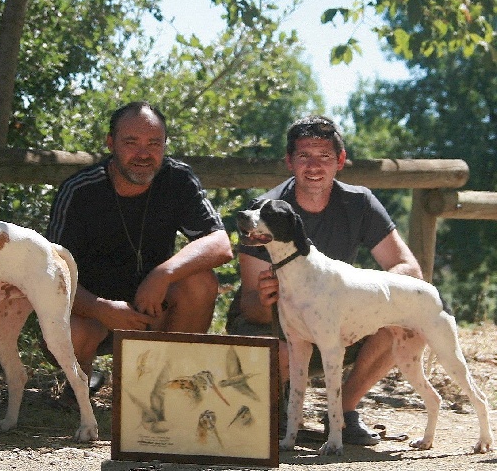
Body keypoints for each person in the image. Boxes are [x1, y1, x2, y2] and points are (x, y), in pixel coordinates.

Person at [227, 114, 423, 445]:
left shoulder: (360, 202)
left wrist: (367, 296)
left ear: (340, 161)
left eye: (325, 156)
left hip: (339, 323)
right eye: (304, 156)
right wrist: (269, 297)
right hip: (275, 327)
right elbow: (251, 308)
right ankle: (278, 412)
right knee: (280, 351)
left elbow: (408, 270)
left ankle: (343, 412)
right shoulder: (261, 211)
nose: (314, 166)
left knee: (410, 321)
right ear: (290, 161)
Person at [47, 101, 234, 402]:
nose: (143, 154)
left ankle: (169, 386)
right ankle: (78, 387)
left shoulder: (178, 179)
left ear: (164, 145)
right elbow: (51, 275)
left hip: (150, 310)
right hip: (90, 313)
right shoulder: (80, 191)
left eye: (154, 143)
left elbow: (220, 243)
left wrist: (164, 274)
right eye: (131, 143)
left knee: (201, 282)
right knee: (75, 331)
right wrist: (100, 308)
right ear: (111, 143)